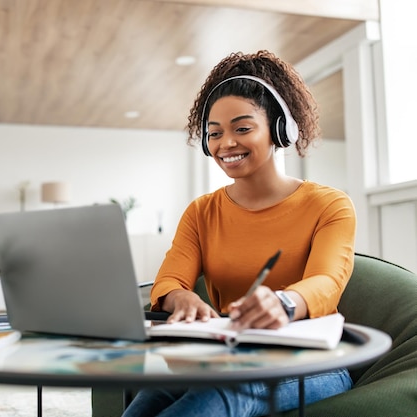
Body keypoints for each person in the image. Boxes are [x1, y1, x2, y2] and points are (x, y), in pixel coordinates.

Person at [122, 50, 356, 417]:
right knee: (149, 400)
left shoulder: (330, 205)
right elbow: (169, 279)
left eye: (242, 128)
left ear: (281, 129)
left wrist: (284, 303)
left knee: (220, 393)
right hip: (228, 355)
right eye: (214, 134)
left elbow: (328, 281)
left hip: (314, 362)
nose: (226, 143)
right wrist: (178, 298)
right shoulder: (201, 212)